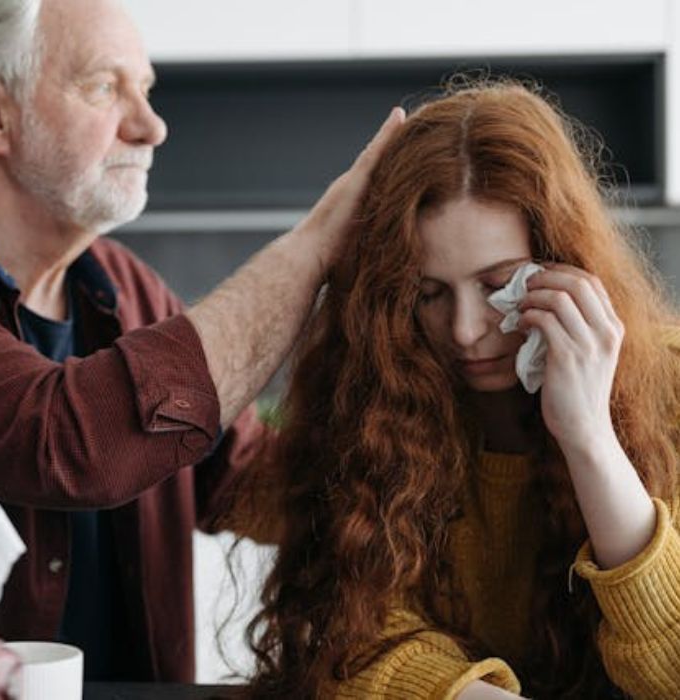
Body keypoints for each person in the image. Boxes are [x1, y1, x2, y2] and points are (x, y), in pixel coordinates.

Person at [0, 0, 404, 681]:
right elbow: (67, 439)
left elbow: (247, 481)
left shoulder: (127, 291)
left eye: (147, 90)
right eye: (106, 87)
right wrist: (311, 251)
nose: (152, 126)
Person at [245, 81, 680, 699]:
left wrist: (589, 437)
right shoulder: (374, 395)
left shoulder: (670, 384)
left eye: (499, 285)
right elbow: (352, 639)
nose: (466, 331)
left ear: (564, 264)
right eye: (428, 293)